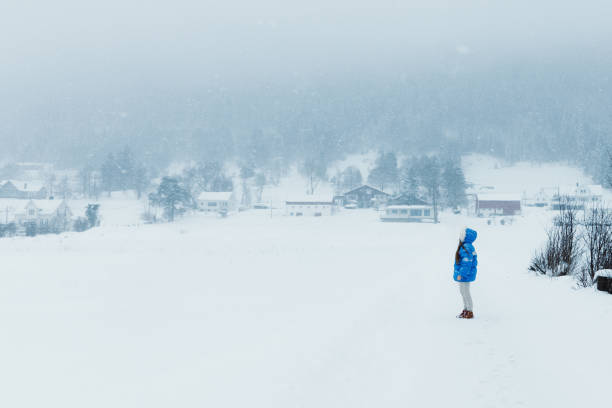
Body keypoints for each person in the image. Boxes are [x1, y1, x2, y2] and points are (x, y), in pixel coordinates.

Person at [454, 227, 478, 319]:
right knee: (463, 292)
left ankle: (470, 311)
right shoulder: (465, 246)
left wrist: (461, 274)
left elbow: (467, 262)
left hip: (465, 275)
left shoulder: (467, 247)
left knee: (465, 292)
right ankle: (465, 309)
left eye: (461, 235)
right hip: (464, 274)